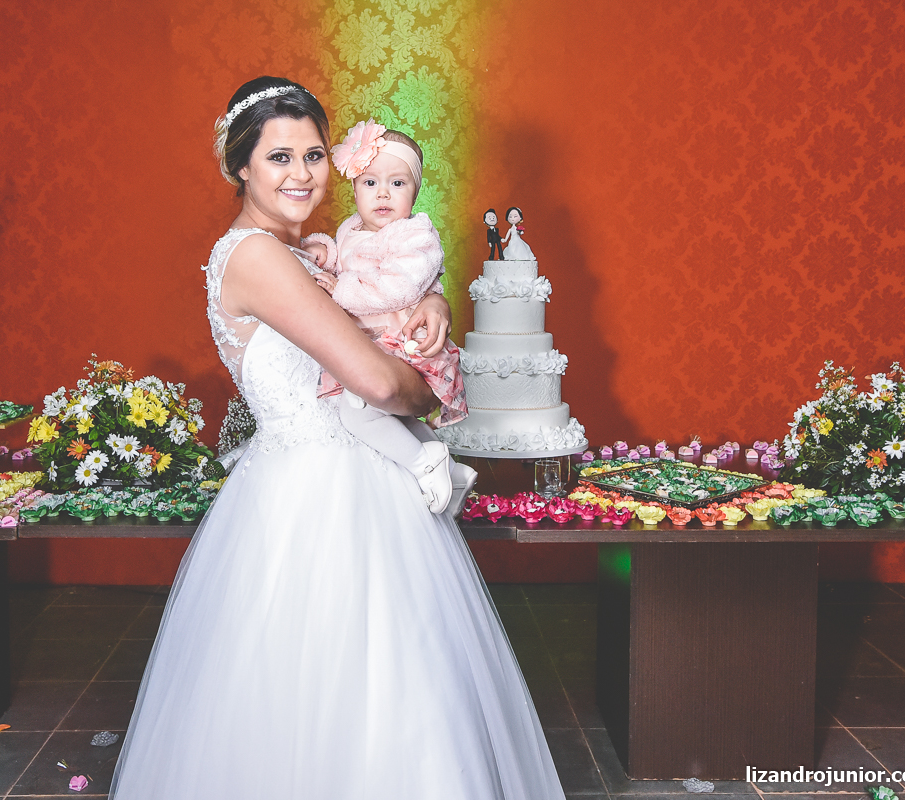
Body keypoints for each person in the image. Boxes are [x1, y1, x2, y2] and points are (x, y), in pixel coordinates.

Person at [107, 76, 567, 800]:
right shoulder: (255, 257)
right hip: (316, 493)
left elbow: (384, 291)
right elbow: (380, 384)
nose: (302, 174)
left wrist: (433, 301)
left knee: (397, 682)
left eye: (315, 155)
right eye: (279, 158)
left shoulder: (316, 250)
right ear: (239, 167)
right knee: (340, 680)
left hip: (358, 476)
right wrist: (436, 389)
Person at [300, 119, 475, 514]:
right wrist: (323, 251)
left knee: (356, 413)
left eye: (398, 184)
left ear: (415, 191)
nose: (383, 193)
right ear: (355, 187)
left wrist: (339, 290)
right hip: (369, 345)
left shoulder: (416, 236)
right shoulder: (350, 228)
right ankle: (443, 462)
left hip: (399, 344)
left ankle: (422, 463)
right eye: (370, 182)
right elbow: (342, 255)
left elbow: (398, 287)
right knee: (385, 417)